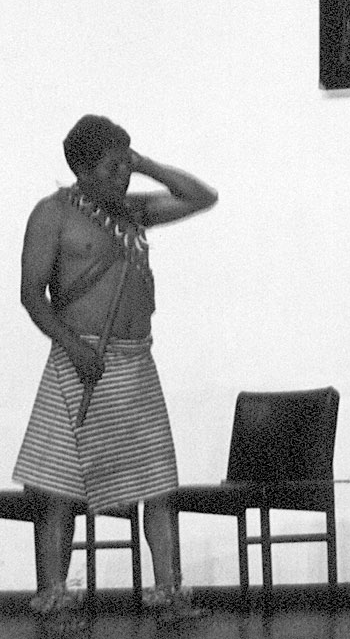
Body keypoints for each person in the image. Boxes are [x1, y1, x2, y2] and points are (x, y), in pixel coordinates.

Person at [14, 115, 218, 624]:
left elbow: (201, 196)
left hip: (133, 360)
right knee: (58, 489)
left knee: (158, 486)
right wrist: (72, 346)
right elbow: (30, 296)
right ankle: (57, 602)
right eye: (113, 166)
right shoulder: (52, 215)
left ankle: (169, 597)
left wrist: (143, 160)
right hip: (77, 362)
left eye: (127, 165)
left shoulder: (133, 212)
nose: (124, 176)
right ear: (83, 170)